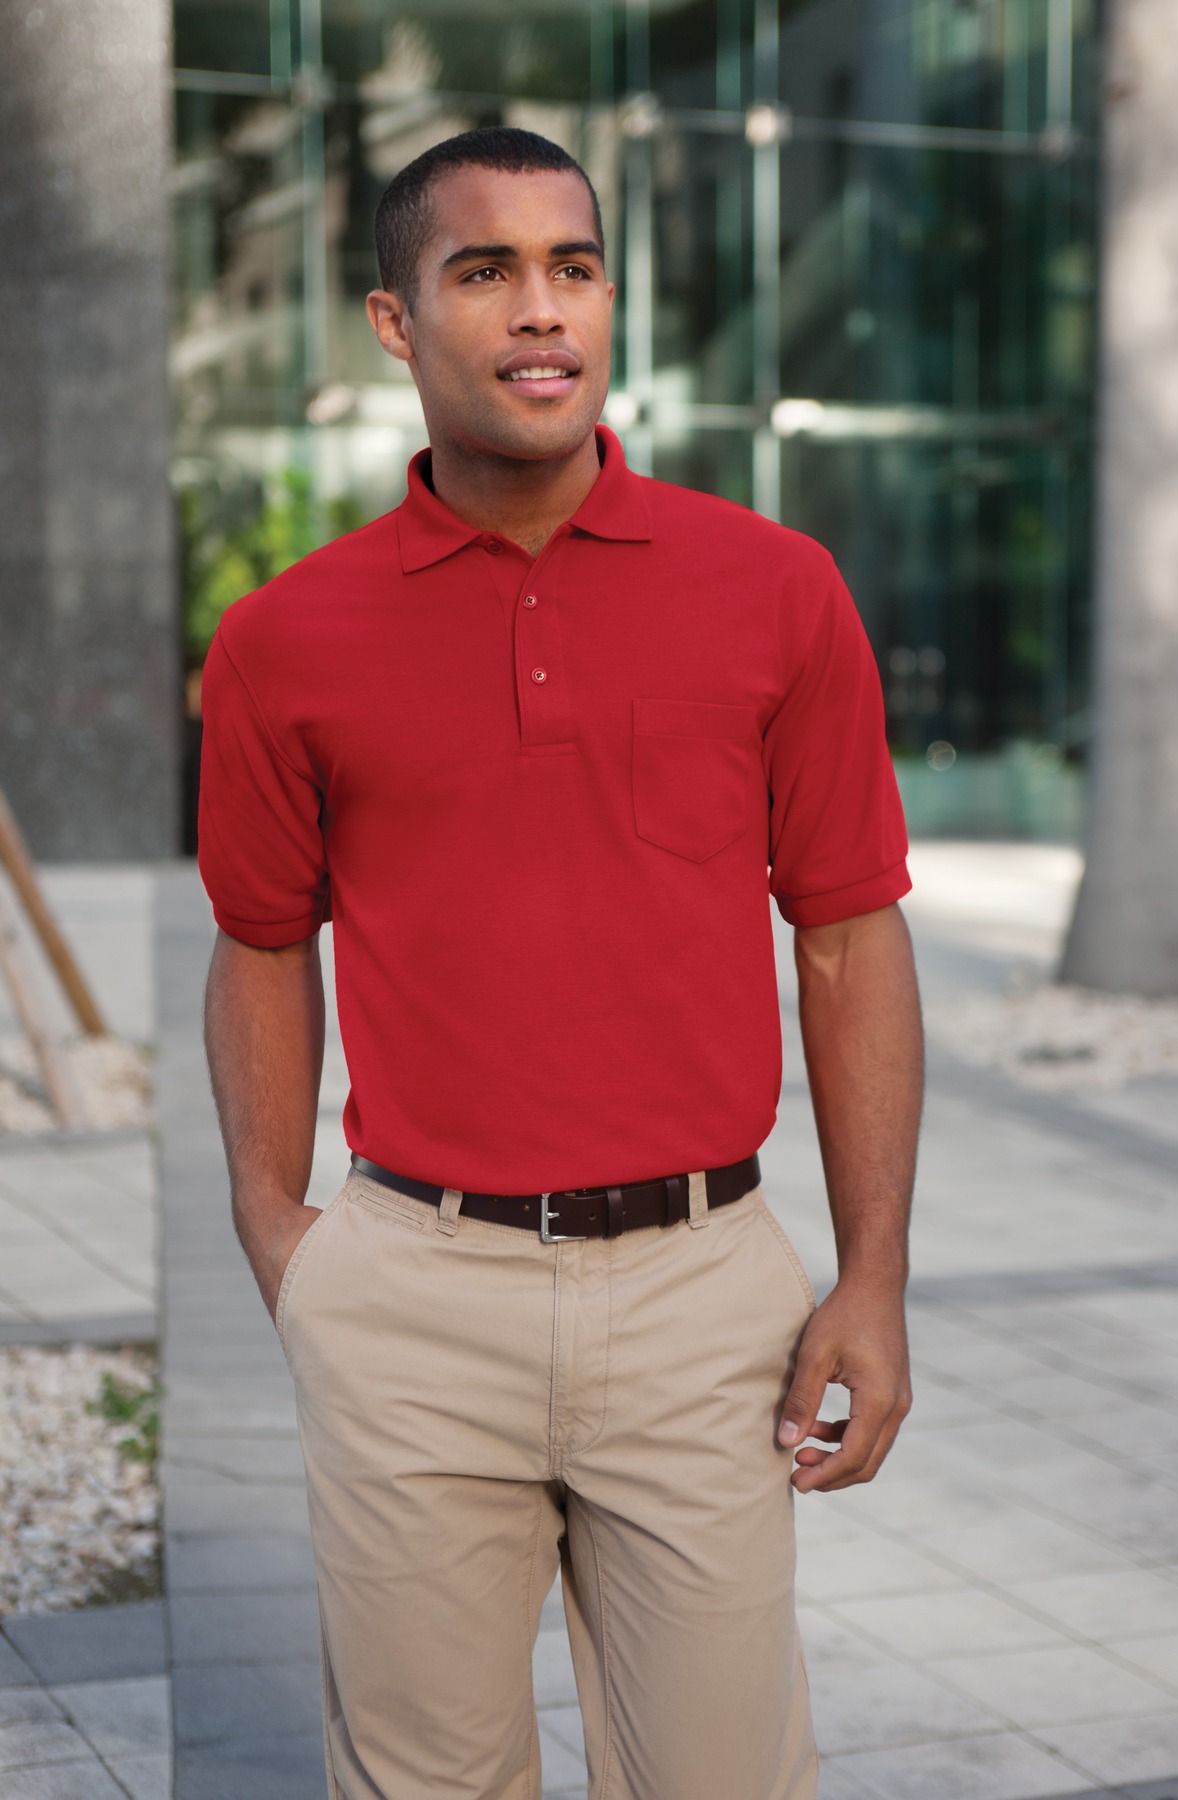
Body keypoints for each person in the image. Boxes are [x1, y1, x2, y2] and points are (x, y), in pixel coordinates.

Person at [199, 126, 923, 1800]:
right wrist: (275, 1233)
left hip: (702, 1294)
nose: (542, 309)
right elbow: (258, 944)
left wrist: (874, 1276)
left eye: (573, 267)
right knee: (422, 1783)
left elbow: (847, 937)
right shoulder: (284, 640)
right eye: (486, 271)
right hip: (412, 1294)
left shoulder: (777, 589)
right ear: (395, 321)